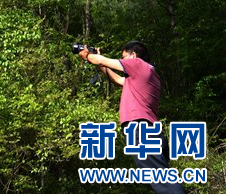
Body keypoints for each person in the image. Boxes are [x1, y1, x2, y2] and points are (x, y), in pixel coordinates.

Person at [79, 41, 185, 194]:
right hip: (150, 130)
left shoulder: (138, 64)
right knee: (162, 178)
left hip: (140, 129)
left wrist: (88, 55)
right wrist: (98, 60)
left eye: (124, 57)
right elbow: (117, 79)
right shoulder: (145, 75)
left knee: (162, 180)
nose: (122, 60)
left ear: (133, 56)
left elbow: (102, 61)